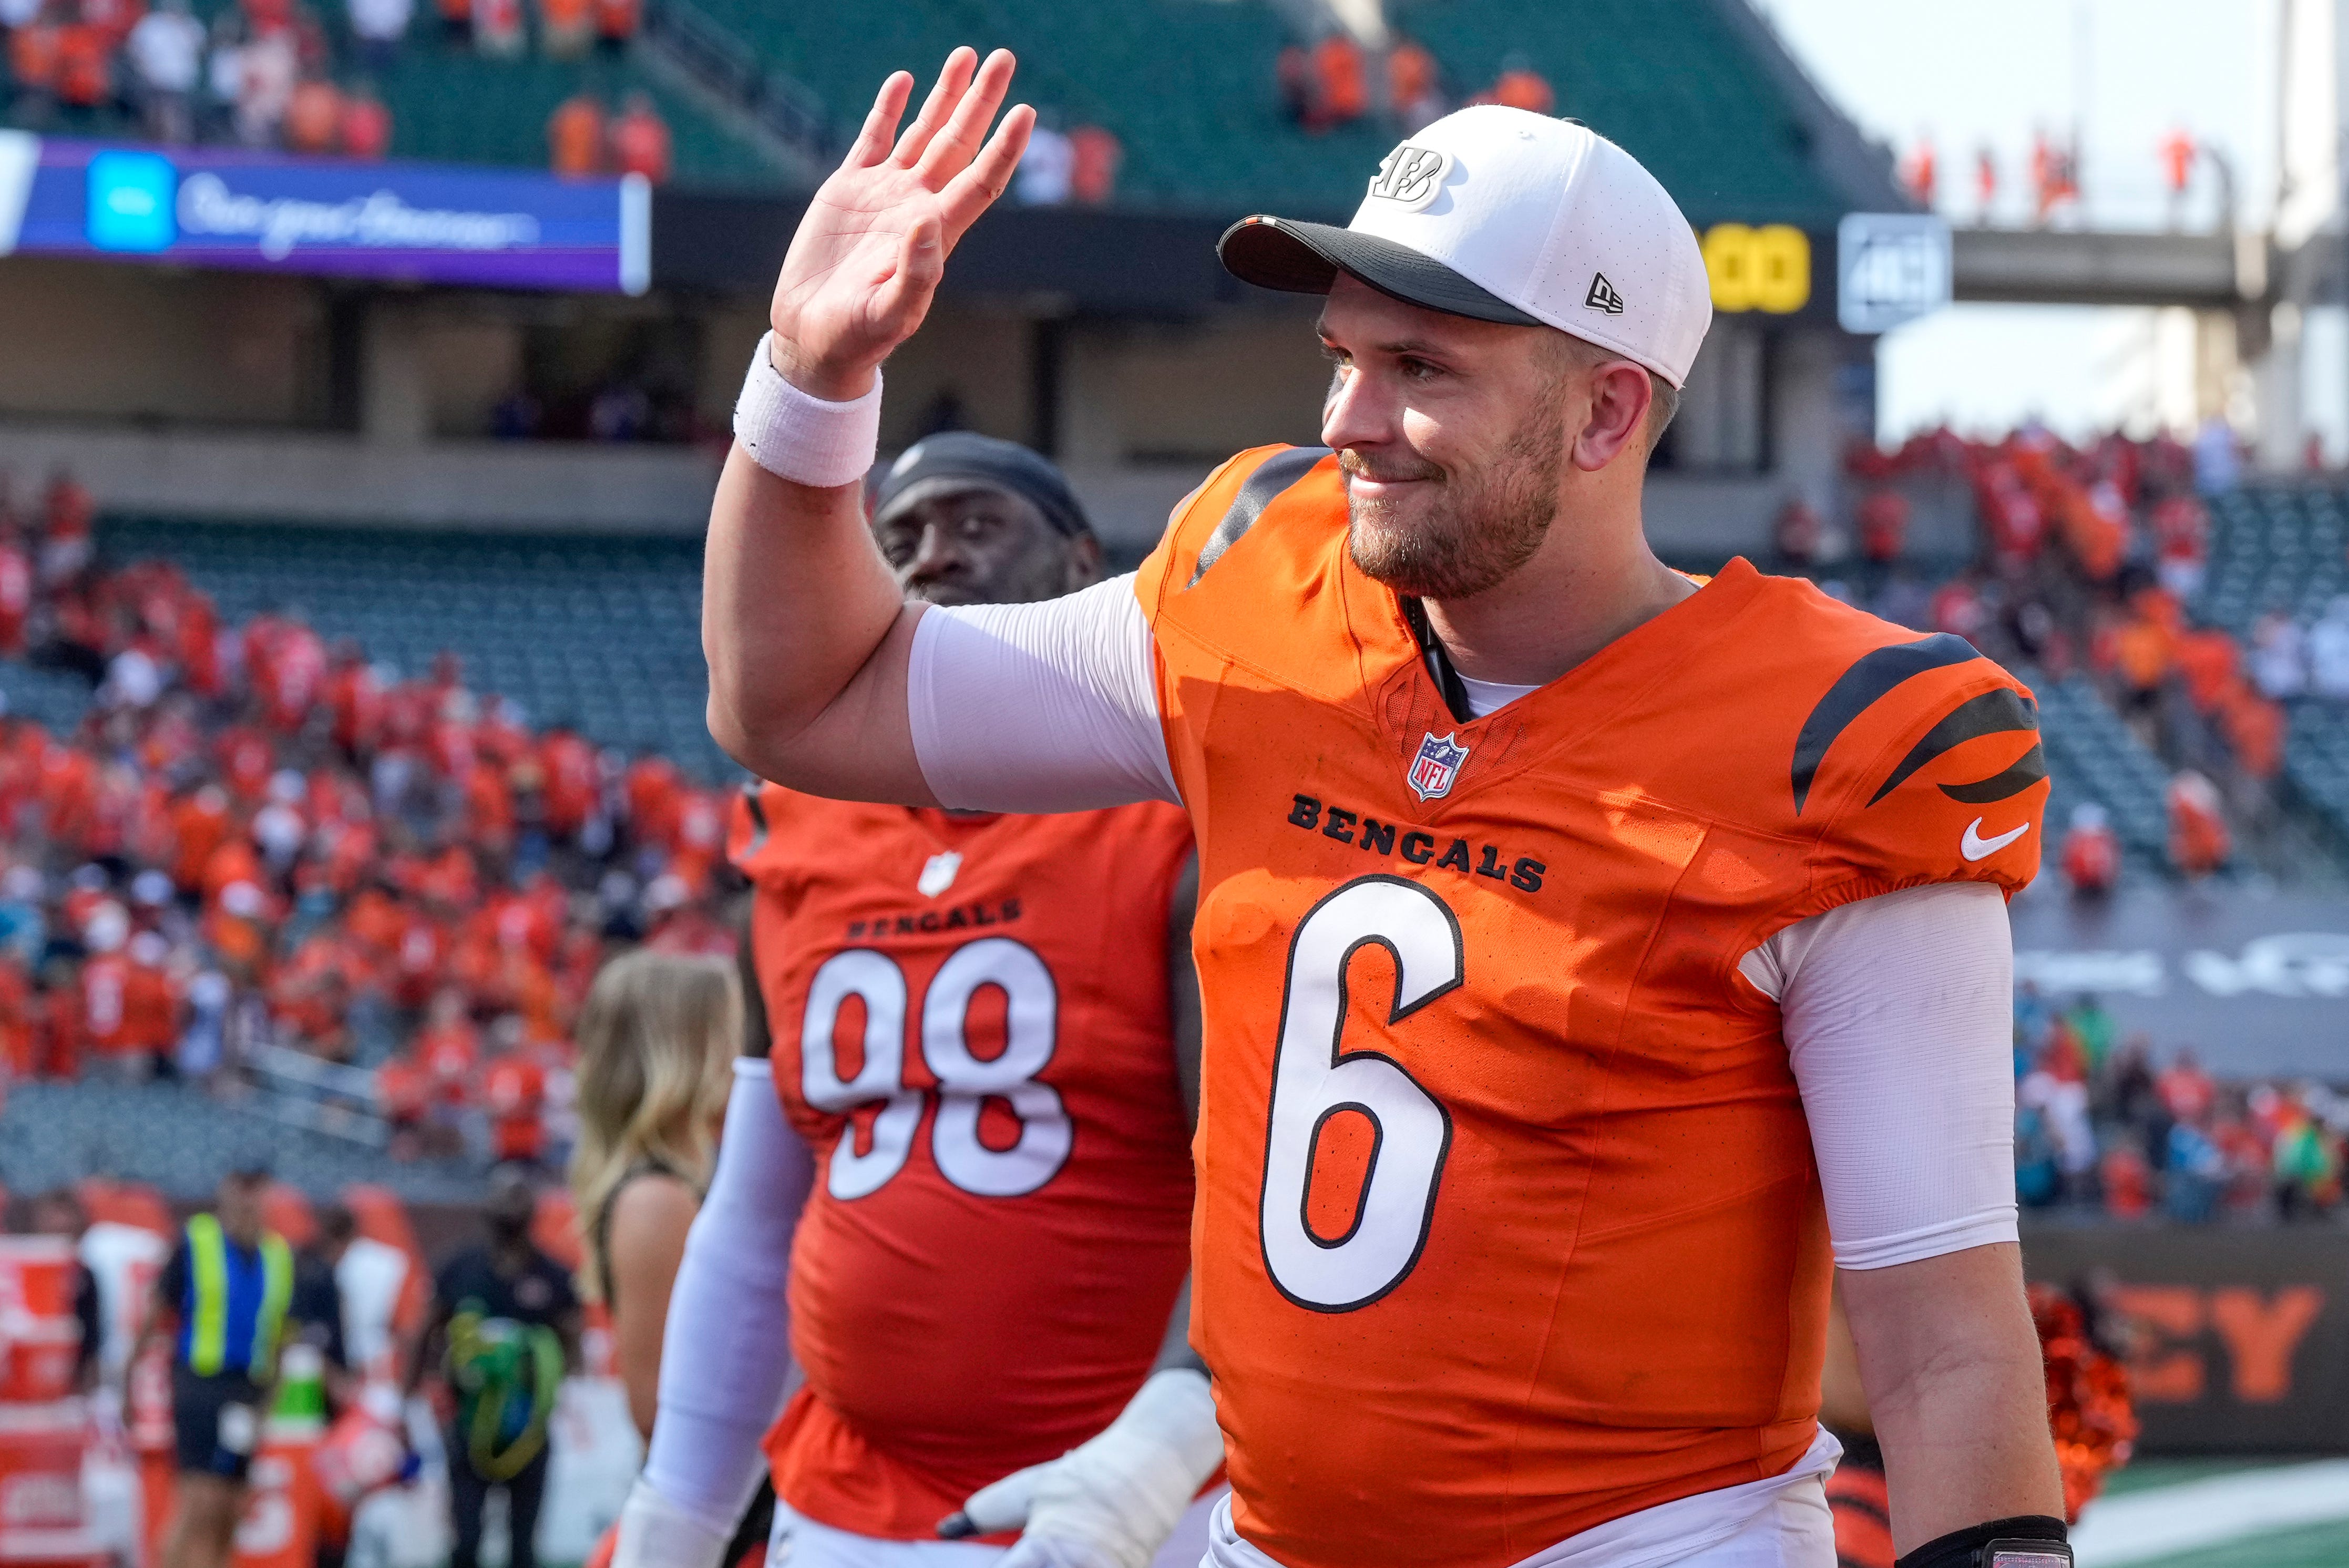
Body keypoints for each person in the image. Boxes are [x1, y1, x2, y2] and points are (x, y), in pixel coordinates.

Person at [702, 50, 2065, 1568]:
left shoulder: (1836, 746)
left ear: (1607, 409)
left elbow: (1943, 1343)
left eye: (1420, 369)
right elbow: (805, 699)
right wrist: (810, 379)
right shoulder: (1252, 583)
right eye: (1342, 354)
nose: (1348, 415)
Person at [615, 432, 1213, 1568]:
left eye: (978, 525)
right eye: (900, 539)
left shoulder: (1176, 816)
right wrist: (678, 1510)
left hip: (1120, 1499)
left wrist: (1170, 1438)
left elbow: (1250, 1185)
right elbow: (755, 1207)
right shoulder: (792, 829)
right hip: (849, 1500)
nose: (934, 558)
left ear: (1083, 565)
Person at [408, 1167, 580, 1568]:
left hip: (528, 1427)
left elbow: (572, 1340)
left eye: (518, 1196)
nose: (510, 1207)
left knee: (524, 1545)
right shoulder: (460, 1267)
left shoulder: (553, 1275)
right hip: (469, 1421)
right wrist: (409, 1399)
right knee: (466, 1541)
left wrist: (551, 1381)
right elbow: (424, 1332)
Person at [133, 1169, 296, 1568]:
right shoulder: (197, 1242)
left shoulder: (278, 1256)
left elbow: (281, 1340)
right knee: (199, 1502)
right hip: (200, 1385)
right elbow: (157, 1314)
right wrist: (128, 1378)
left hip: (246, 1390)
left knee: (231, 1507)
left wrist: (268, 1403)